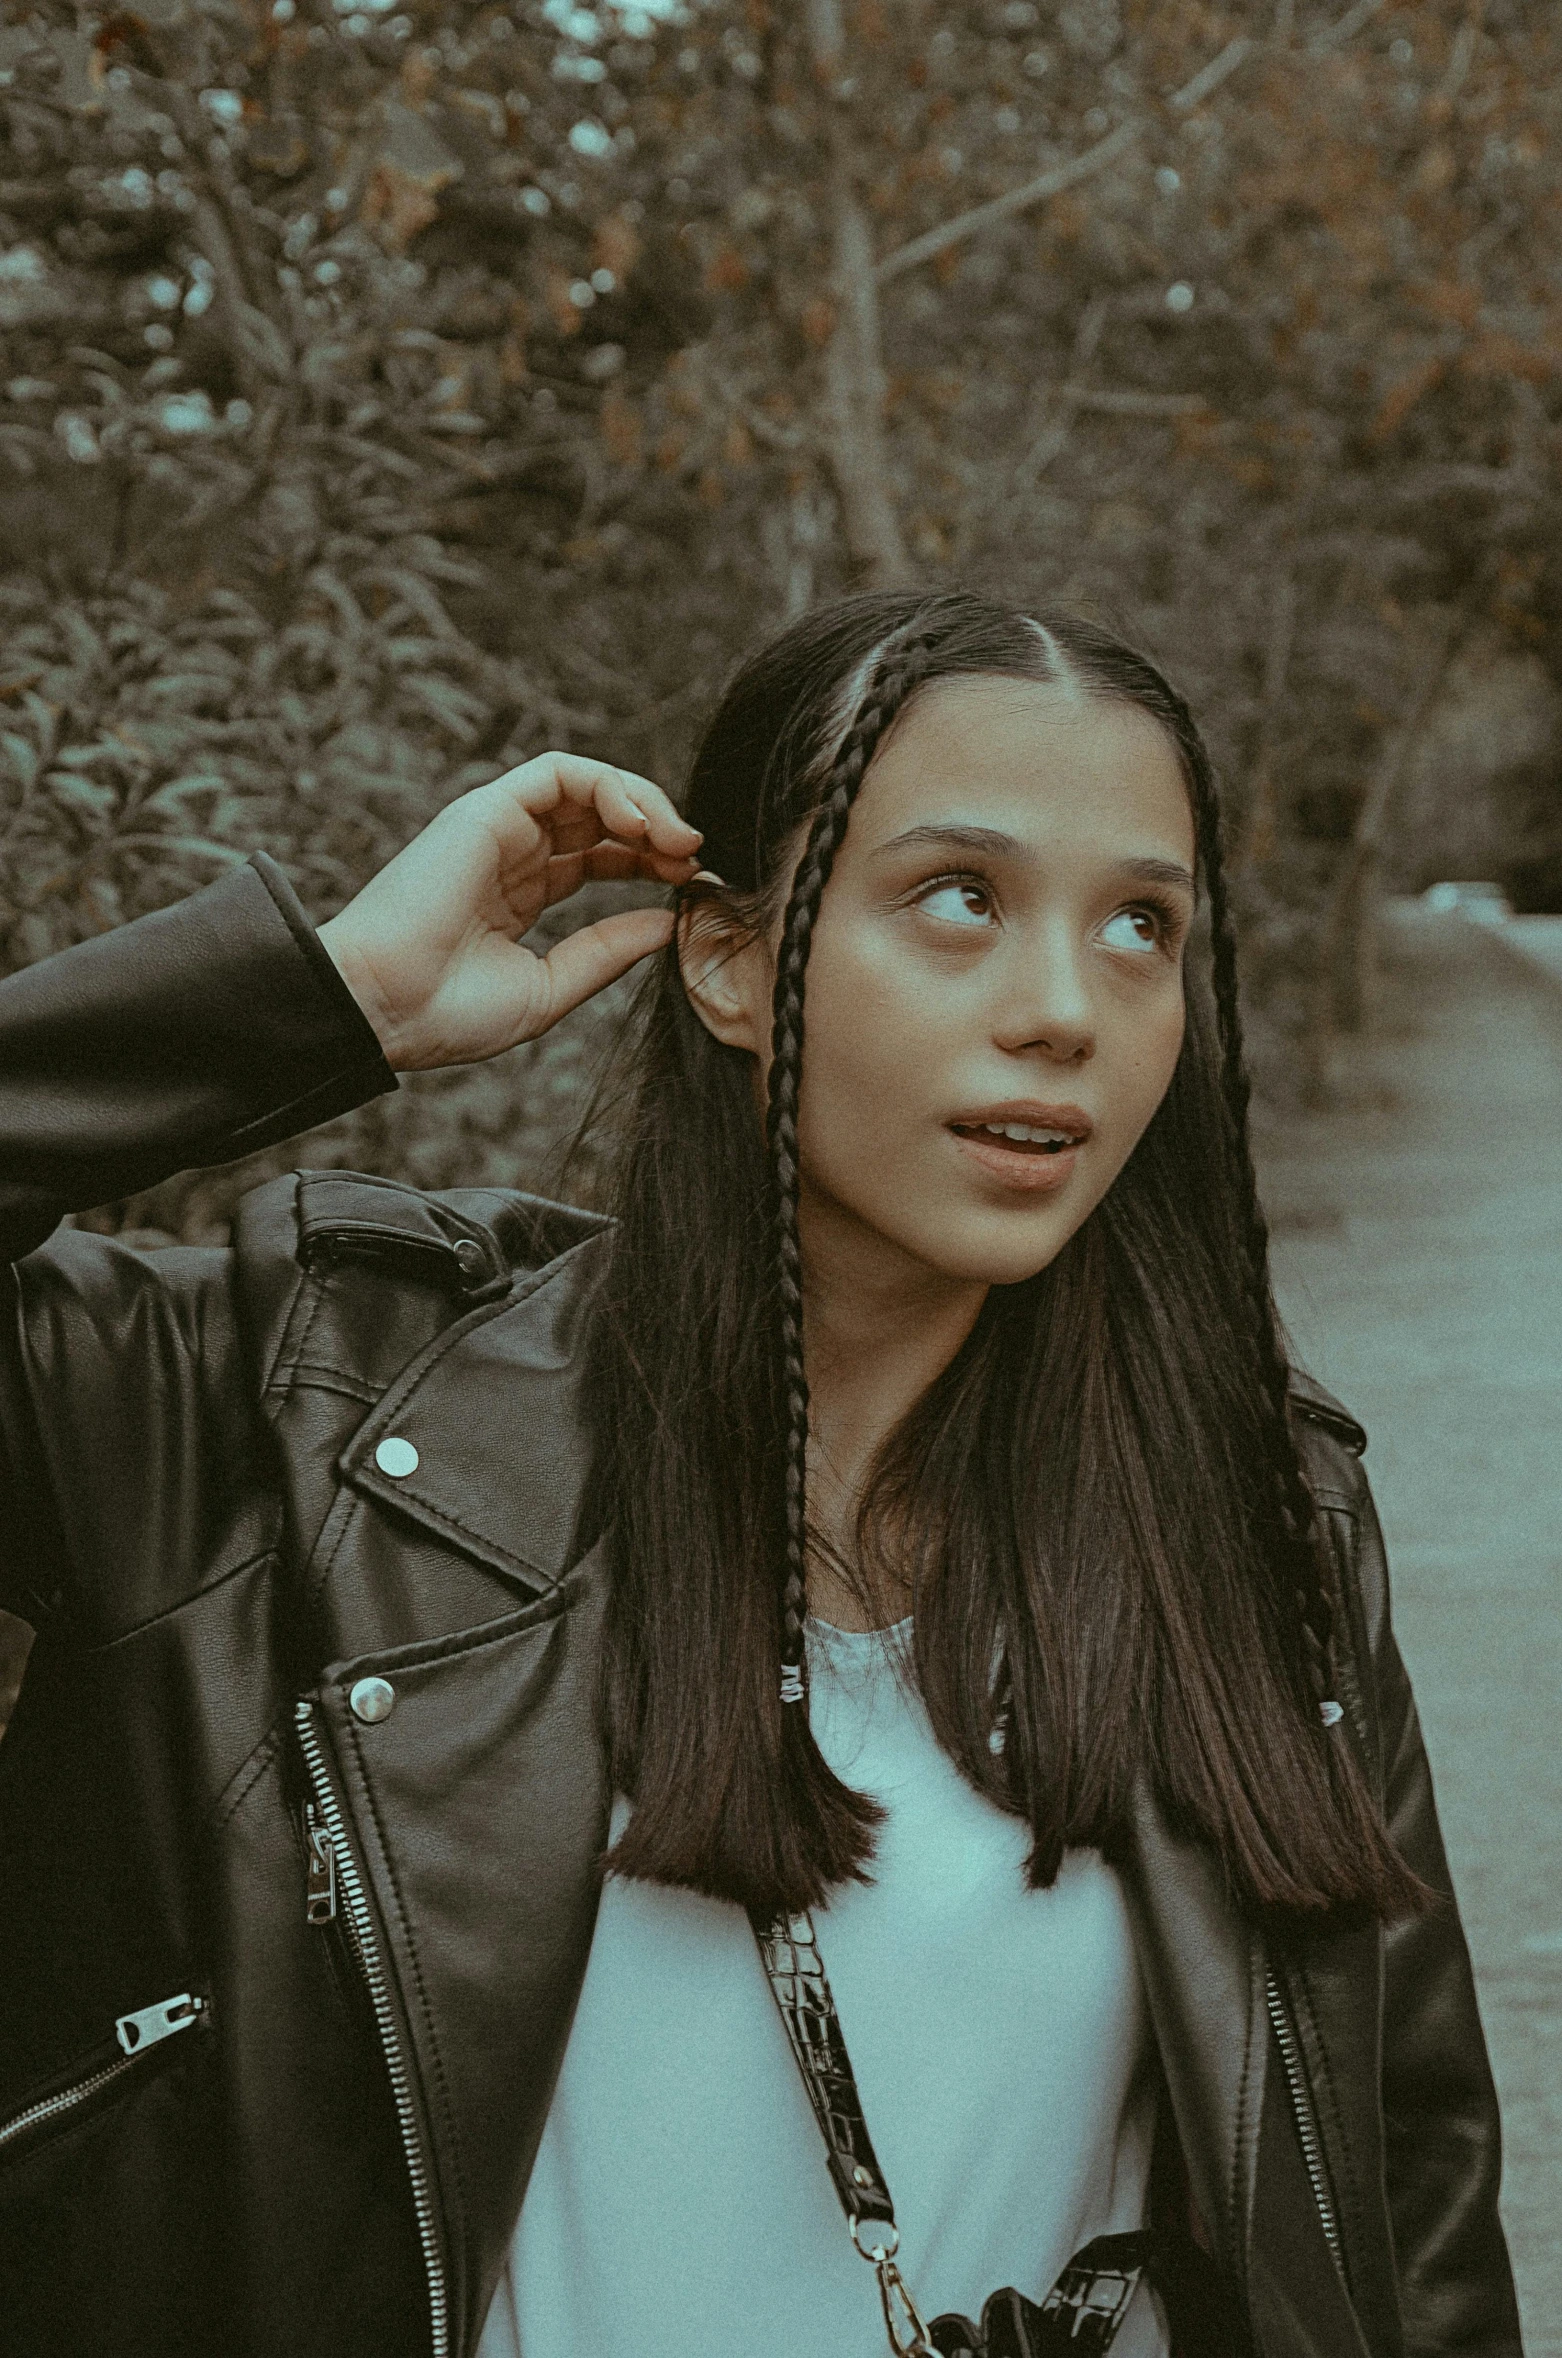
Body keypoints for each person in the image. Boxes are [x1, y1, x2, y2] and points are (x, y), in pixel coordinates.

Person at [0, 590, 1521, 2358]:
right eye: (960, 897)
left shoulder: (1254, 1528)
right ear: (728, 959)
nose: (1063, 1009)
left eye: (1138, 925)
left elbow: (1401, 2219)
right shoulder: (299, 1427)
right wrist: (325, 999)